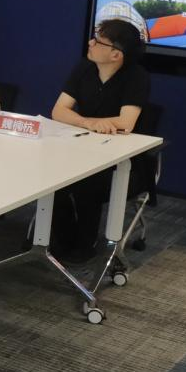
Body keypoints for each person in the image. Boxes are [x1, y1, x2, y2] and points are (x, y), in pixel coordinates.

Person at [49, 19, 149, 262]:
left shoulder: (136, 77)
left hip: (124, 163)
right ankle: (59, 239)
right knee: (51, 176)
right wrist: (88, 123)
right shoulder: (84, 68)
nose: (90, 43)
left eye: (98, 41)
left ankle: (85, 244)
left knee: (88, 182)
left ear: (116, 54)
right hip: (81, 149)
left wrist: (84, 120)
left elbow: (126, 122)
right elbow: (58, 110)